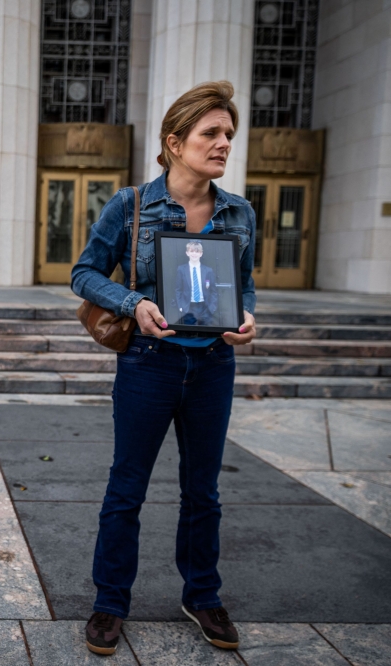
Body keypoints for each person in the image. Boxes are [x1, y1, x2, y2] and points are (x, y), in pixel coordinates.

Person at [70, 81, 258, 657]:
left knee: (204, 491)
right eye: (211, 133)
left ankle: (202, 594)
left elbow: (243, 284)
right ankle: (110, 602)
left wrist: (247, 317)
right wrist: (134, 304)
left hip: (213, 366)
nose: (224, 143)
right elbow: (83, 273)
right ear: (175, 142)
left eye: (228, 133)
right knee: (126, 488)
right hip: (147, 364)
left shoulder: (239, 211)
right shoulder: (131, 206)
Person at [174, 240, 218, 326]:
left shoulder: (208, 270)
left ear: (201, 254)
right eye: (192, 251)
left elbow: (213, 291)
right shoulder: (181, 269)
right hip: (188, 307)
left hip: (205, 306)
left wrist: (212, 308)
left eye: (197, 251)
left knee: (205, 331)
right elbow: (178, 289)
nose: (194, 254)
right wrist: (180, 306)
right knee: (189, 332)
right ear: (187, 253)